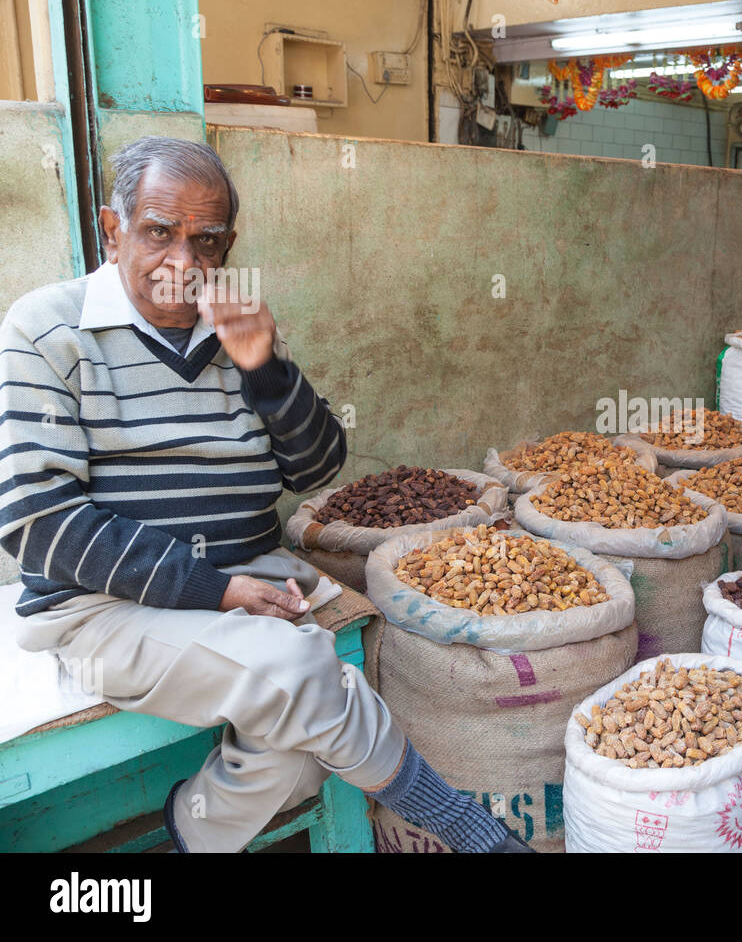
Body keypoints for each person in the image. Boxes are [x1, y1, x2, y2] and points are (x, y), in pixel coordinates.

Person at [0, 137, 530, 853]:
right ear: (112, 227)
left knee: (304, 750)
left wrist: (266, 370)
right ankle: (477, 836)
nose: (183, 264)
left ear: (229, 244)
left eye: (206, 240)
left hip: (255, 579)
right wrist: (211, 589)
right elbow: (36, 521)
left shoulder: (234, 326)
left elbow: (316, 471)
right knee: (296, 673)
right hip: (105, 608)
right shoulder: (46, 329)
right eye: (158, 232)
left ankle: (192, 829)